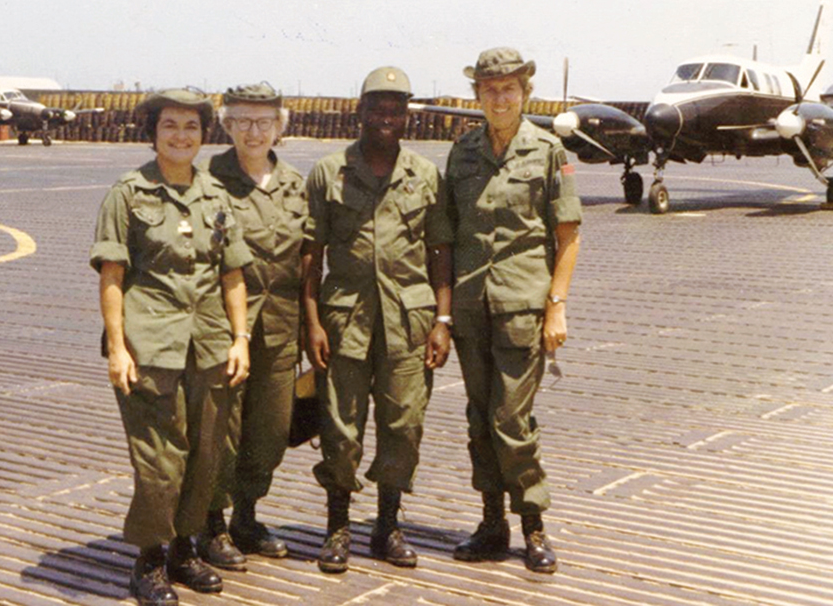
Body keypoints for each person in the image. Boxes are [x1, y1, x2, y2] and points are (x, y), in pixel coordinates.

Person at [90, 89, 252, 604]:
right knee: (160, 462)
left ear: (205, 136)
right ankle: (150, 559)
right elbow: (112, 276)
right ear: (153, 132)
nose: (181, 136)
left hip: (208, 344)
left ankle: (185, 549)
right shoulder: (129, 193)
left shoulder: (217, 197)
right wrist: (117, 348)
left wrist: (241, 338)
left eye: (191, 126)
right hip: (149, 345)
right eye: (170, 126)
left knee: (206, 455)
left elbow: (232, 275)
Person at [302, 66, 453, 573]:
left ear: (406, 114)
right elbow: (311, 254)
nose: (387, 118)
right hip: (344, 319)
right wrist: (312, 322)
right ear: (359, 111)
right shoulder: (329, 173)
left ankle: (387, 525)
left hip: (409, 322)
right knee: (341, 428)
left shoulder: (426, 174)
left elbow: (440, 252)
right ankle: (338, 526)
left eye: (396, 109)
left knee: (404, 425)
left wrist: (443, 320)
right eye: (377, 108)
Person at [445, 48, 582, 574]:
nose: (500, 98)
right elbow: (447, 233)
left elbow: (567, 235)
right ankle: (491, 522)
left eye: (510, 89)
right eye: (490, 89)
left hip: (524, 305)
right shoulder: (462, 154)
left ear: (525, 93)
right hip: (471, 305)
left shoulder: (548, 151)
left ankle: (533, 523)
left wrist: (557, 307)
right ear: (477, 95)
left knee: (511, 418)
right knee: (480, 418)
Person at [198, 82, 305, 571]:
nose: (253, 131)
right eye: (241, 120)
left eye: (264, 121)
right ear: (227, 126)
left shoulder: (296, 185)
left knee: (270, 428)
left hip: (282, 325)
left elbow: (310, 258)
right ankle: (212, 523)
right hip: (224, 326)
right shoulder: (205, 181)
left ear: (280, 127)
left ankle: (247, 515)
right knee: (223, 428)